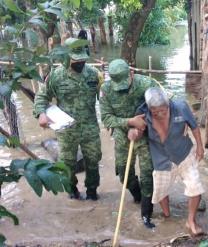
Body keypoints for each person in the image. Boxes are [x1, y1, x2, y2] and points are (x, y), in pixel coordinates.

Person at [129, 87, 205, 237]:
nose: (160, 114)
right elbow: (137, 131)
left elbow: (194, 127)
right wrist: (134, 133)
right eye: (155, 112)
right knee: (161, 191)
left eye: (164, 110)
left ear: (168, 104)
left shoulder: (181, 107)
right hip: (161, 158)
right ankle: (167, 215)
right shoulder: (142, 114)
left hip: (183, 153)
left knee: (195, 186)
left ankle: (191, 221)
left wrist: (200, 147)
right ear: (149, 108)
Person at [33, 37, 102, 201]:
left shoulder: (94, 74)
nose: (80, 62)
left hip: (90, 127)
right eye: (76, 59)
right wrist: (41, 114)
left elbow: (105, 99)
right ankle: (72, 191)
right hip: (66, 130)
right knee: (67, 164)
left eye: (83, 59)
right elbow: (41, 97)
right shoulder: (56, 76)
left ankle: (92, 191)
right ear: (66, 58)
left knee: (93, 160)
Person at [99, 58, 157, 228]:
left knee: (148, 172)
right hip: (122, 135)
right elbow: (106, 118)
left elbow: (160, 109)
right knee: (124, 174)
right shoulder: (106, 90)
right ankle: (137, 196)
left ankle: (147, 213)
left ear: (131, 73)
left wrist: (141, 127)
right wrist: (130, 122)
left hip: (144, 134)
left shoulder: (146, 84)